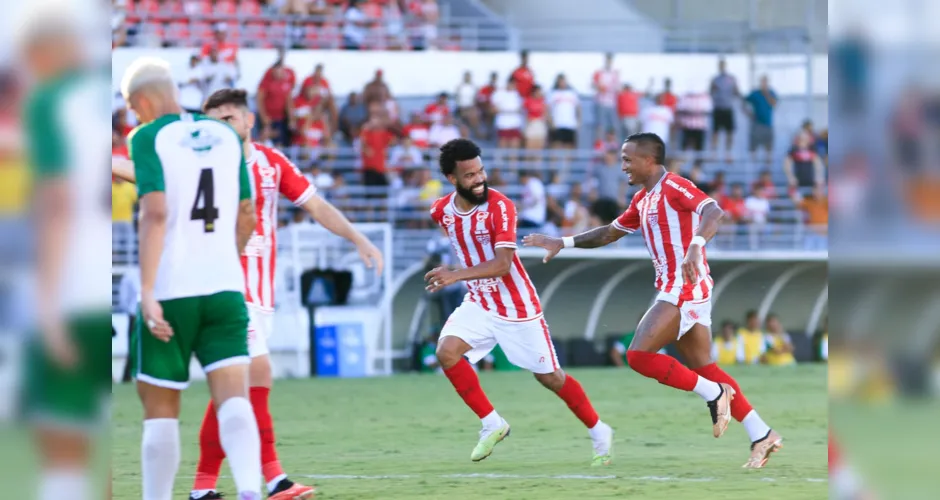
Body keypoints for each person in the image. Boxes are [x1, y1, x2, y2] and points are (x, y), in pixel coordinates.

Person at [113, 87, 384, 500]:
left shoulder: (273, 164)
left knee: (234, 391)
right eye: (213, 120)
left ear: (248, 121)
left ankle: (204, 487)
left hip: (259, 293)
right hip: (223, 291)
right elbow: (138, 170)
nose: (221, 127)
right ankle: (273, 479)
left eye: (229, 119)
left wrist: (357, 236)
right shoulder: (195, 159)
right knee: (254, 379)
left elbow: (316, 206)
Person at [523, 133, 783, 468]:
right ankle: (762, 434)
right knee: (705, 367)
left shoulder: (675, 186)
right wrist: (562, 242)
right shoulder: (643, 200)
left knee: (638, 356)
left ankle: (714, 394)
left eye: (628, 159)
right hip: (677, 286)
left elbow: (714, 211)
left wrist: (695, 244)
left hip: (684, 286)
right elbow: (608, 233)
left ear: (649, 160)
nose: (623, 166)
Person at [121, 56, 263, 499]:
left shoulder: (145, 136)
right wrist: (227, 259)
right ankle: (250, 491)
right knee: (233, 398)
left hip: (172, 289)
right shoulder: (223, 134)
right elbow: (247, 213)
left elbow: (156, 212)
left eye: (131, 107)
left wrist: (146, 291)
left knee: (160, 406)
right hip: (225, 287)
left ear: (141, 101)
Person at [425, 138, 614, 466]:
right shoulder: (440, 211)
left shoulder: (500, 206)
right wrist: (461, 276)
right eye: (469, 175)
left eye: (481, 170)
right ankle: (492, 424)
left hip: (517, 306)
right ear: (452, 179)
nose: (479, 179)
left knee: (550, 377)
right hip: (480, 301)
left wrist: (455, 275)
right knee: (447, 352)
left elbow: (502, 265)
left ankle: (600, 431)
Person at [20, 12, 113, 499]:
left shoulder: (53, 100)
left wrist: (48, 304)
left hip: (75, 288)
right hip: (113, 287)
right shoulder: (105, 96)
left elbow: (57, 205)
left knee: (63, 446)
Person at [709, 58, 739, 161]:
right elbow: (710, 92)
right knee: (715, 132)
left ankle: (728, 153)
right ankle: (714, 153)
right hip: (718, 108)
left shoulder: (731, 79)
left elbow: (736, 91)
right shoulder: (715, 79)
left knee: (729, 132)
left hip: (727, 108)